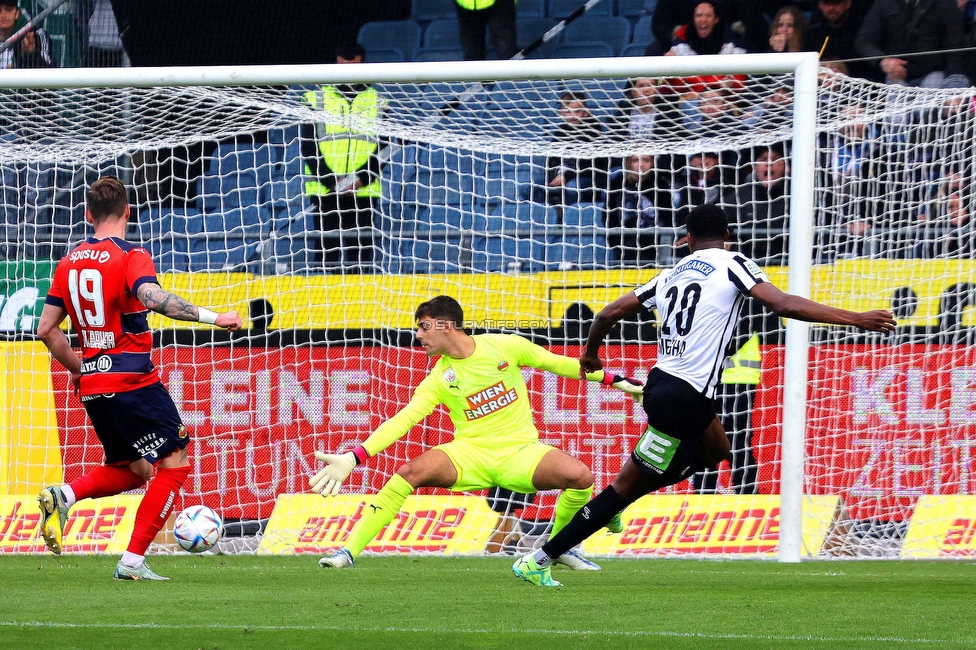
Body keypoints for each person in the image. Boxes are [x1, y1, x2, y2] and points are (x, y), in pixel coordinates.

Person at [511, 203, 896, 587]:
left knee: (717, 451)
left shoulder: (670, 273)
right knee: (623, 488)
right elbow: (782, 304)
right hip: (684, 396)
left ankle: (616, 502)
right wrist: (856, 318)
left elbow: (607, 314)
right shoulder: (734, 263)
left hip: (665, 385)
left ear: (688, 239)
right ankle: (541, 558)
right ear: (728, 237)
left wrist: (591, 353)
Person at [311, 296, 642, 571]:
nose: (418, 336)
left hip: (520, 453)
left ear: (447, 325)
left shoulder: (504, 346)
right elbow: (404, 419)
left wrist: (619, 382)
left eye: (424, 327)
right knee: (408, 472)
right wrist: (355, 457)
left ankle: (560, 547)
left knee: (581, 476)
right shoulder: (439, 377)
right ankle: (348, 551)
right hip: (469, 454)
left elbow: (560, 364)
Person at [35, 176, 242, 580]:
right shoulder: (132, 255)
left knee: (133, 469)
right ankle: (131, 562)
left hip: (94, 385)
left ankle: (66, 495)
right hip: (131, 379)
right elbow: (152, 298)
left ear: (88, 215)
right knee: (175, 464)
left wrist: (81, 369)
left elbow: (46, 329)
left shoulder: (68, 263)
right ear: (129, 211)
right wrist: (216, 318)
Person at [300, 42, 381, 273]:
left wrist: (360, 179)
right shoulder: (315, 99)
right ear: (335, 62)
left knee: (362, 254)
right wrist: (332, 181)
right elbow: (309, 147)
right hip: (325, 191)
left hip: (363, 191)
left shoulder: (378, 101)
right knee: (327, 252)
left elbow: (384, 149)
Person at [854, 0, 970, 88]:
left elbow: (955, 50)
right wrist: (883, 61)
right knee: (896, 115)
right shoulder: (884, 3)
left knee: (928, 107)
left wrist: (953, 87)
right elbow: (864, 41)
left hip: (934, 74)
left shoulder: (945, 4)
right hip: (896, 75)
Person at [536, 92, 609, 212]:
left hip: (587, 177)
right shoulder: (560, 131)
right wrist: (555, 176)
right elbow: (551, 160)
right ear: (561, 113)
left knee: (572, 187)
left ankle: (568, 219)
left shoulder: (593, 130)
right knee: (529, 188)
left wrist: (567, 176)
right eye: (568, 112)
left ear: (585, 112)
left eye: (577, 111)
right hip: (562, 176)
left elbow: (590, 165)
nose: (572, 116)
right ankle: (549, 218)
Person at [803, 0, 870, 81]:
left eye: (836, 2)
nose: (832, 7)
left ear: (848, 3)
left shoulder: (863, 32)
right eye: (826, 3)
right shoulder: (812, 33)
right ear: (820, 5)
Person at [0, 0, 54, 69]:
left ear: (17, 13)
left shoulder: (36, 35)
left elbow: (49, 70)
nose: (3, 15)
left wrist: (29, 55)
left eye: (9, 10)